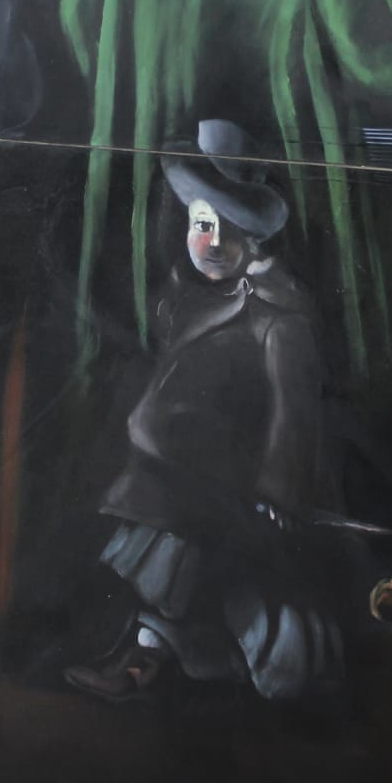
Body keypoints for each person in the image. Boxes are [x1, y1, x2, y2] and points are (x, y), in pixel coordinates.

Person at [65, 121, 342, 703]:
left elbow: (293, 408)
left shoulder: (279, 316)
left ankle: (154, 660)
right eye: (200, 224)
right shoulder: (190, 301)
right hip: (175, 469)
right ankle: (149, 658)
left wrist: (280, 485)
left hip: (227, 484)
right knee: (174, 574)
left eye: (225, 228)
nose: (210, 242)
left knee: (180, 565)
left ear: (254, 238)